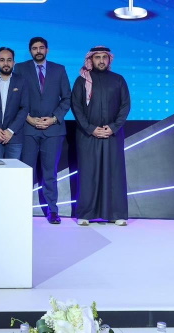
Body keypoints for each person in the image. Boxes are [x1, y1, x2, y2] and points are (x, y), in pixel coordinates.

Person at [71, 46, 131, 226]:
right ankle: (85, 214)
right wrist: (90, 128)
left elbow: (125, 106)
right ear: (91, 59)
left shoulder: (118, 80)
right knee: (88, 174)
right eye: (97, 57)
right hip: (88, 136)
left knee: (114, 174)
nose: (101, 60)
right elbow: (76, 107)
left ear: (109, 59)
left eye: (104, 57)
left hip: (112, 135)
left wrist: (113, 127)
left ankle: (116, 214)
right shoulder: (82, 80)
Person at [15, 37, 72, 224]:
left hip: (53, 129)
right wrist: (28, 118)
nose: (38, 51)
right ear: (30, 51)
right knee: (26, 172)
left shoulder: (59, 69)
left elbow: (67, 98)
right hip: (28, 129)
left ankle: (52, 210)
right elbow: (16, 98)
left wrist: (53, 118)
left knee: (50, 173)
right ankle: (21, 210)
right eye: (34, 48)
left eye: (41, 48)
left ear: (47, 50)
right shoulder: (20, 69)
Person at [0, 47, 27, 160]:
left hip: (14, 137)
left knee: (13, 171)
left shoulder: (22, 81)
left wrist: (10, 130)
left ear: (14, 62)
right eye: (2, 60)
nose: (6, 63)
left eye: (9, 60)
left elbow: (24, 108)